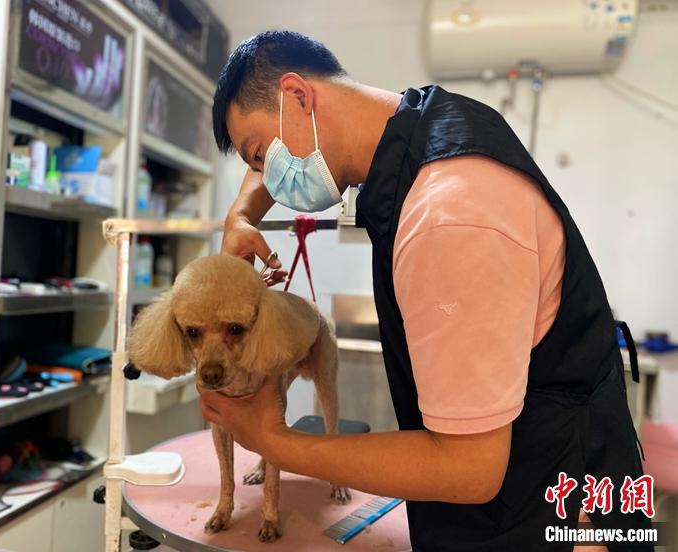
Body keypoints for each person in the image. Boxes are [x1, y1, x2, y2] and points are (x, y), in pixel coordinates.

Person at [198, 31, 652, 551]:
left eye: (261, 156)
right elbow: (270, 165)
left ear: (298, 95)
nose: (271, 180)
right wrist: (239, 216)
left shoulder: (447, 216)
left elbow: (469, 470)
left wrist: (272, 440)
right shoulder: (427, 120)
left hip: (559, 518)